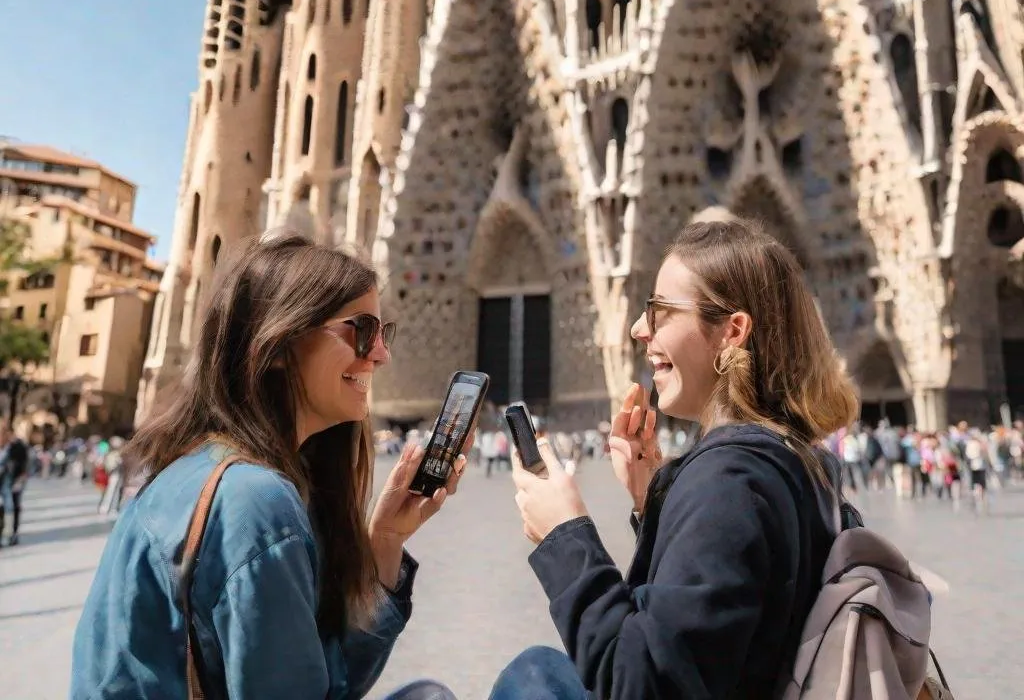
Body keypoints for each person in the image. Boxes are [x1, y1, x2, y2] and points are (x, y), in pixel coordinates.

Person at [71, 233, 461, 700]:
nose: (380, 353)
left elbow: (312, 675)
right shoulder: (254, 500)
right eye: (361, 331)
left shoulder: (193, 470)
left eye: (383, 333)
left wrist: (385, 542)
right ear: (276, 345)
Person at [491, 218, 859, 699]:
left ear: (732, 331)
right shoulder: (804, 464)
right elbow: (728, 628)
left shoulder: (729, 482)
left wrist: (566, 537)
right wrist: (655, 504)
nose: (638, 328)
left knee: (533, 678)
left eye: (660, 310)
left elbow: (644, 684)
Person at [0, 423, 29, 546]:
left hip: (14, 480)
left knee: (13, 506)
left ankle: (13, 533)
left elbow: (24, 463)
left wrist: (21, 478)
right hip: (2, 481)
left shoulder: (17, 446)